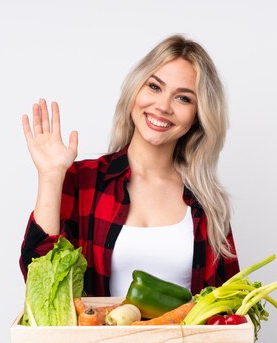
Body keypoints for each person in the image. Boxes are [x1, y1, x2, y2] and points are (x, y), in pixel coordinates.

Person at [19, 34, 240, 297]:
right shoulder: (84, 181)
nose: (163, 106)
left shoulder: (206, 203)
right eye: (155, 87)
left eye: (183, 98)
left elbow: (230, 305)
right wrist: (51, 176)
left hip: (187, 340)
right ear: (135, 90)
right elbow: (41, 281)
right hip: (100, 338)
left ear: (198, 116)